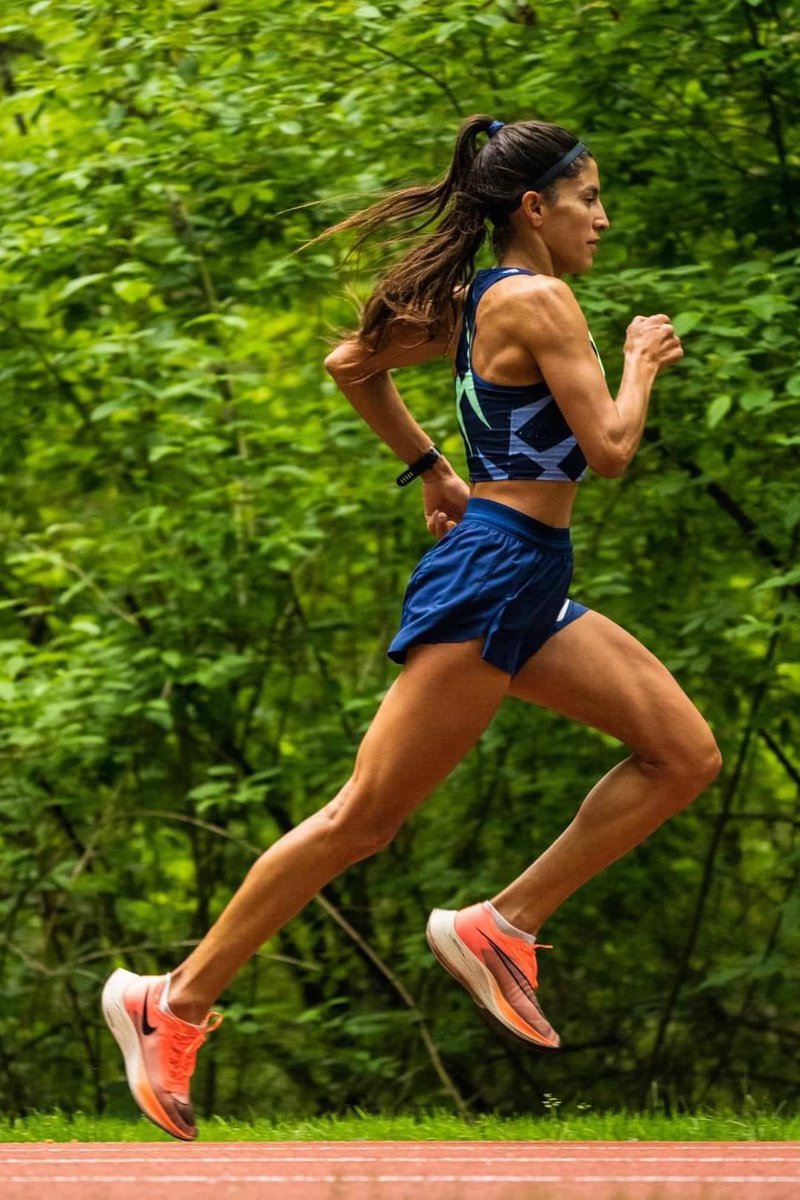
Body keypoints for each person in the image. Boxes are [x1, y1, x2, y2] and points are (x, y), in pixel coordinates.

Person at [102, 114, 722, 1141]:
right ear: (534, 208)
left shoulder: (480, 298)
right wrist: (641, 358)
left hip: (525, 572)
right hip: (492, 575)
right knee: (362, 819)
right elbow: (608, 450)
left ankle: (502, 923)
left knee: (681, 754)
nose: (601, 220)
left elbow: (352, 364)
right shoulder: (539, 300)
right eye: (587, 201)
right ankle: (170, 999)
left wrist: (429, 468)